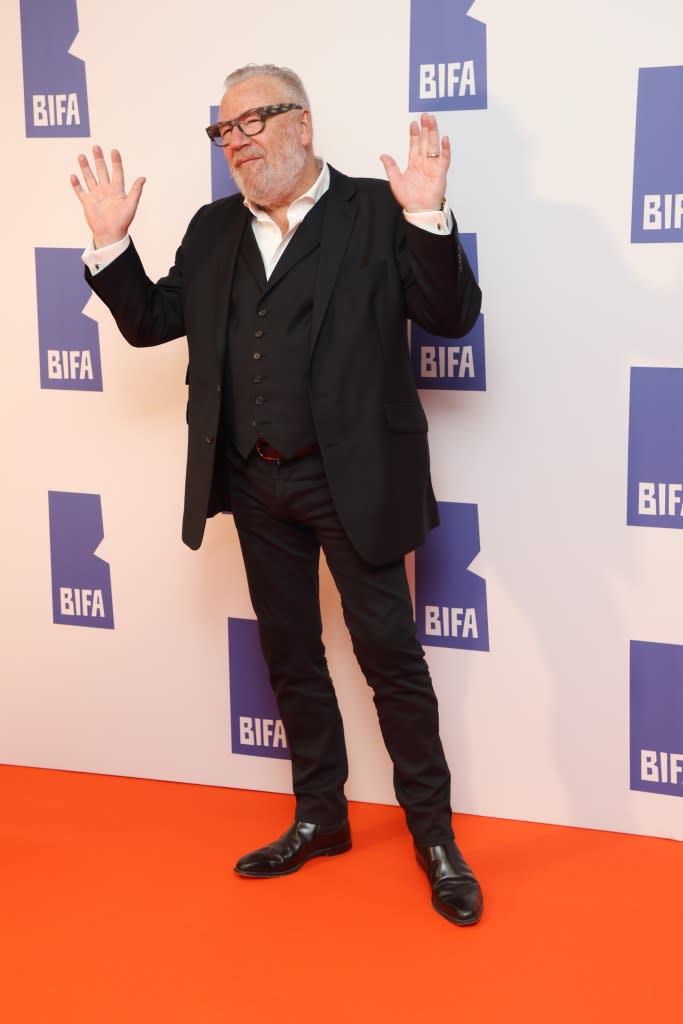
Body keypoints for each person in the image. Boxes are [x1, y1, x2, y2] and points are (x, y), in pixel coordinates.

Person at [71, 63, 483, 926]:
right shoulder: (214, 228)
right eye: (224, 131)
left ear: (301, 121)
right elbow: (152, 321)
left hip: (355, 480)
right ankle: (320, 815)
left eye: (253, 120)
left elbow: (450, 318)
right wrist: (111, 247)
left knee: (390, 661)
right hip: (257, 480)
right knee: (291, 657)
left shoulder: (376, 209)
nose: (238, 140)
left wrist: (427, 217)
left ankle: (435, 837)